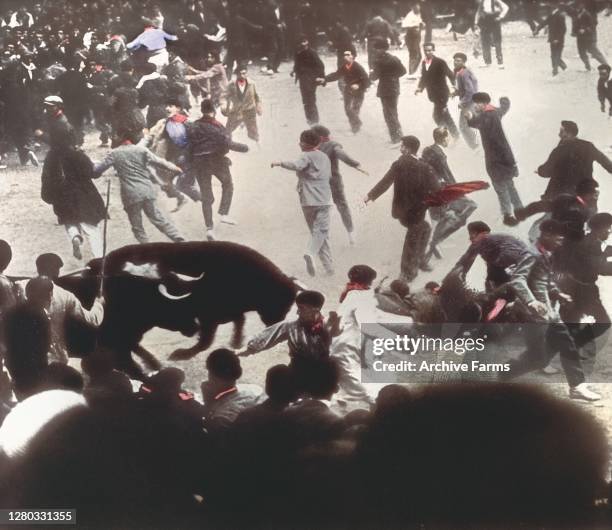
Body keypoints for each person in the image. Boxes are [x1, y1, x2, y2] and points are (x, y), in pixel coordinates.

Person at [503, 219, 601, 402]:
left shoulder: (545, 253)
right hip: (533, 315)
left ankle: (577, 386)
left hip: (548, 312)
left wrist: (558, 294)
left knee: (567, 345)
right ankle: (496, 377)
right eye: (558, 238)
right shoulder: (532, 254)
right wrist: (531, 301)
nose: (561, 241)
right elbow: (517, 279)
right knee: (537, 358)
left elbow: (544, 280)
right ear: (546, 235)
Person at [331, 265, 411, 407]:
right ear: (369, 282)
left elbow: (376, 315)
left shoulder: (354, 293)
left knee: (360, 376)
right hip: (347, 344)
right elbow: (369, 326)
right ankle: (373, 403)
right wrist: (393, 337)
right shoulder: (361, 297)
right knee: (359, 382)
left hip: (346, 341)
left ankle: (344, 398)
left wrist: (406, 321)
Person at [38, 96, 106, 260]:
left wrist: (49, 195)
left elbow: (46, 179)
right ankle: (99, 258)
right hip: (82, 192)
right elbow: (92, 172)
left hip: (62, 193)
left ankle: (75, 236)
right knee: (91, 225)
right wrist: (102, 165)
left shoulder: (51, 157)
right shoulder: (76, 154)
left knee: (69, 219)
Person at [365, 135, 439, 282]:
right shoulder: (424, 166)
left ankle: (414, 265)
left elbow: (385, 182)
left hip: (403, 210)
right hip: (417, 209)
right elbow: (435, 187)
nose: (401, 148)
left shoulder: (399, 164)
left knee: (424, 229)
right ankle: (408, 271)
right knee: (417, 232)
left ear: (407, 149)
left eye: (402, 146)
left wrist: (371, 196)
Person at [93, 132, 185, 244]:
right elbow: (159, 162)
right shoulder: (141, 150)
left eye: (116, 135)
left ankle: (147, 249)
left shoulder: (114, 153)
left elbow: (97, 171)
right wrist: (175, 168)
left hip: (130, 194)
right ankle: (179, 239)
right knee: (159, 219)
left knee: (137, 227)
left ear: (122, 137)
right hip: (147, 190)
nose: (113, 138)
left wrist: (91, 164)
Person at [239, 290, 335, 395]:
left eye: (301, 308)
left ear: (315, 310)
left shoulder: (328, 325)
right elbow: (268, 336)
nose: (297, 312)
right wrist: (246, 351)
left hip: (321, 376)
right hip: (297, 374)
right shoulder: (291, 326)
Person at [20, 253, 105, 365]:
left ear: (38, 267)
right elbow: (92, 319)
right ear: (56, 271)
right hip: (55, 358)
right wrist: (98, 304)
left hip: (24, 355)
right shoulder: (65, 295)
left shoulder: (19, 287)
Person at [271, 130, 334, 276]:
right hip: (324, 199)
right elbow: (329, 176)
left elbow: (297, 165)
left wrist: (280, 163)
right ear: (318, 143)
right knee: (321, 232)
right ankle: (321, 261)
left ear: (302, 144)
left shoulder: (305, 155)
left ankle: (325, 264)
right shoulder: (324, 157)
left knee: (317, 232)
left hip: (307, 200)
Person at [186, 99, 248, 240]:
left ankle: (209, 228)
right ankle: (224, 213)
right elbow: (227, 143)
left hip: (199, 162)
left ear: (202, 111)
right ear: (213, 111)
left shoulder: (193, 126)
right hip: (216, 160)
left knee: (206, 195)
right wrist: (244, 148)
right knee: (228, 184)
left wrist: (191, 163)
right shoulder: (217, 126)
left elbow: (188, 147)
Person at [422, 127, 478, 264]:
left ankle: (435, 242)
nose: (449, 140)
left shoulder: (429, 151)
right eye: (447, 137)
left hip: (430, 190)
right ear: (443, 138)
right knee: (470, 205)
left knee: (437, 217)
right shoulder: (439, 155)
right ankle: (435, 242)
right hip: (441, 190)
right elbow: (446, 174)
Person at [466, 92, 523, 225]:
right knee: (509, 185)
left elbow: (479, 123)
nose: (474, 107)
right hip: (505, 157)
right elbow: (502, 110)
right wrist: (504, 102)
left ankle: (507, 215)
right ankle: (519, 209)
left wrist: (469, 118)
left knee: (500, 187)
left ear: (483, 104)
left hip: (495, 159)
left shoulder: (487, 116)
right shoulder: (494, 112)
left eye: (476, 104)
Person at [559, 212, 612, 353]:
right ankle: (570, 347)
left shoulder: (591, 240)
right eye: (608, 228)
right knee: (603, 322)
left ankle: (569, 348)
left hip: (578, 287)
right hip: (582, 289)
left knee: (571, 323)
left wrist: (607, 253)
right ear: (600, 228)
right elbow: (598, 266)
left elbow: (598, 258)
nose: (610, 231)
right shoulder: (590, 243)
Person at [311, 125, 367, 246]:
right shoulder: (332, 145)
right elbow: (341, 154)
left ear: (320, 137)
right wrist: (355, 164)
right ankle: (351, 233)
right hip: (334, 181)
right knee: (342, 205)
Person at [142, 98, 199, 211]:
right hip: (169, 157)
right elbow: (151, 136)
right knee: (162, 180)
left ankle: (199, 198)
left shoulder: (187, 123)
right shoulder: (162, 122)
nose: (167, 108)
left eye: (171, 106)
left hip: (182, 158)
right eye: (167, 105)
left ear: (178, 108)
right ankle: (184, 197)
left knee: (177, 183)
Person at [454, 221, 531, 291]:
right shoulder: (482, 244)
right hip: (514, 268)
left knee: (494, 282)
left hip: (521, 266)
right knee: (491, 281)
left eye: (473, 235)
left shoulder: (491, 239)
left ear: (483, 233)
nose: (470, 238)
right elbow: (465, 261)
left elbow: (513, 254)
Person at [201, 348, 262, 432]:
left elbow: (213, 438)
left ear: (213, 377)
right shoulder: (253, 391)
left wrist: (208, 404)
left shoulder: (220, 418)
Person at [415, 43, 459, 138]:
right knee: (443, 115)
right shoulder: (424, 63)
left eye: (430, 50)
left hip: (441, 94)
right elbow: (424, 77)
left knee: (438, 116)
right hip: (433, 95)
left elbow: (450, 74)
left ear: (433, 50)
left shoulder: (440, 62)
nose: (427, 52)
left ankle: (448, 135)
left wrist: (455, 85)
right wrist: (420, 88)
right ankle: (453, 135)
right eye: (425, 50)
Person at [320, 50, 369, 134]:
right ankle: (356, 124)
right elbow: (336, 75)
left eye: (348, 55)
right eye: (344, 55)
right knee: (347, 109)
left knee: (355, 109)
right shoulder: (344, 67)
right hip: (348, 89)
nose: (346, 57)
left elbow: (366, 80)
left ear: (352, 56)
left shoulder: (358, 67)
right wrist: (325, 79)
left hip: (359, 91)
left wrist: (359, 85)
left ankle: (355, 128)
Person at [370, 39, 406, 144]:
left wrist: (371, 74)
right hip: (394, 88)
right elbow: (403, 71)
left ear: (382, 49)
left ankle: (397, 139)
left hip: (385, 89)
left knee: (389, 114)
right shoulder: (394, 59)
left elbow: (374, 77)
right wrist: (393, 77)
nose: (376, 50)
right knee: (392, 113)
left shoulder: (378, 61)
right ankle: (398, 137)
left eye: (377, 48)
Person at [223, 66, 262, 143]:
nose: (241, 76)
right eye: (239, 74)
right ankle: (227, 146)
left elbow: (257, 97)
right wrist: (224, 107)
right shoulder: (231, 84)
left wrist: (259, 107)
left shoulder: (252, 83)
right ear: (236, 74)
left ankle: (259, 148)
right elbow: (224, 96)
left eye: (244, 73)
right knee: (227, 131)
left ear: (246, 73)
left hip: (249, 110)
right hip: (236, 111)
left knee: (253, 132)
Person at [291, 36, 325, 125]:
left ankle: (315, 121)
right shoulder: (297, 52)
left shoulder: (311, 53)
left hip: (311, 79)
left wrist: (321, 77)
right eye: (300, 43)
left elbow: (320, 66)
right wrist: (294, 70)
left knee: (310, 100)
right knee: (306, 101)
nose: (302, 45)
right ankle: (310, 120)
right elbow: (297, 63)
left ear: (307, 42)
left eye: (304, 42)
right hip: (303, 79)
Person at [452, 52, 479, 149]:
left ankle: (475, 146)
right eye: (455, 60)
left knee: (463, 126)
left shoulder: (463, 73)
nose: (455, 62)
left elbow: (470, 91)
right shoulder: (464, 71)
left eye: (458, 61)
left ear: (463, 62)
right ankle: (476, 145)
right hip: (473, 102)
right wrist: (456, 93)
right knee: (471, 124)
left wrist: (462, 102)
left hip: (469, 103)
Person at [573, 0, 607, 71]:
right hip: (581, 33)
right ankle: (588, 67)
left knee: (593, 50)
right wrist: (575, 31)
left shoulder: (590, 7)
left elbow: (594, 23)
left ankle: (606, 65)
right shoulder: (578, 11)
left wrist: (586, 29)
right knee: (582, 52)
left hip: (589, 32)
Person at [535, 4, 567, 77]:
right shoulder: (551, 15)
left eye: (548, 9)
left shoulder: (560, 16)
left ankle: (555, 70)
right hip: (552, 39)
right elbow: (544, 23)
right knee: (553, 55)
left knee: (556, 54)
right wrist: (537, 29)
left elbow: (563, 29)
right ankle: (562, 66)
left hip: (559, 40)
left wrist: (558, 39)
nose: (547, 10)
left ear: (554, 7)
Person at [475, 0, 509, 69]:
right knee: (485, 41)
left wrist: (501, 16)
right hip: (485, 20)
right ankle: (487, 62)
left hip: (494, 19)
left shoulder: (496, 0)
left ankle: (500, 62)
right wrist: (475, 22)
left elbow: (506, 7)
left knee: (497, 41)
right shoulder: (481, 1)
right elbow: (478, 12)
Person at [137, 62, 170, 129]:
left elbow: (143, 99)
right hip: (164, 108)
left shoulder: (145, 82)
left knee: (152, 129)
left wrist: (140, 105)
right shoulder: (162, 80)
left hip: (153, 110)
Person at [401, 3, 424, 77]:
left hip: (416, 37)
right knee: (414, 54)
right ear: (412, 7)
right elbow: (404, 26)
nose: (418, 8)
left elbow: (420, 23)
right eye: (416, 6)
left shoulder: (418, 14)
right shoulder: (410, 16)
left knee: (418, 55)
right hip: (411, 37)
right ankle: (411, 73)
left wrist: (421, 24)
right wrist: (414, 27)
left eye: (419, 6)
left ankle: (413, 71)